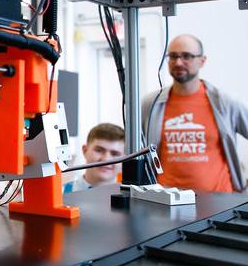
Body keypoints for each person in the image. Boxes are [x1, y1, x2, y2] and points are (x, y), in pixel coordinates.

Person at [141, 34, 248, 193]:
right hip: (167, 202)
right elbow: (137, 150)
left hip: (219, 202)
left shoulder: (225, 102)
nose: (178, 62)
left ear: (202, 61)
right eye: (173, 56)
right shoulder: (151, 103)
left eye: (186, 56)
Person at [63, 123, 125, 193]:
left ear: (125, 159)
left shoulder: (133, 199)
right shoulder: (58, 194)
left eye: (115, 154)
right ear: (85, 150)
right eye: (99, 150)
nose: (106, 159)